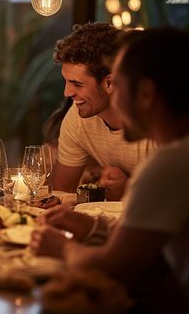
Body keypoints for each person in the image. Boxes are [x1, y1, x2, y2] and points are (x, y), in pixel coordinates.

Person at [31, 27, 189, 314]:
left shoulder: (172, 164)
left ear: (146, 94)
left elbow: (113, 268)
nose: (114, 96)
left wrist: (62, 249)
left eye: (118, 85)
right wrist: (95, 226)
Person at [50, 22, 155, 199]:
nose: (67, 92)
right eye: (66, 81)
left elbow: (184, 203)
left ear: (110, 83)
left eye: (77, 84)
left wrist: (128, 192)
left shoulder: (157, 120)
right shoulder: (78, 117)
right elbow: (61, 193)